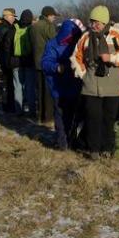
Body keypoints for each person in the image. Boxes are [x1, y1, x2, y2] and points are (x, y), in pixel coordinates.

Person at [71, 5, 119, 160]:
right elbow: (75, 57)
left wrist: (111, 58)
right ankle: (93, 149)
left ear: (105, 22)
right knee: (93, 118)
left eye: (98, 22)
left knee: (108, 118)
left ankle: (107, 148)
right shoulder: (85, 37)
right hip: (91, 85)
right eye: (92, 21)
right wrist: (83, 74)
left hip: (113, 85)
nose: (94, 25)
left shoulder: (116, 35)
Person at [42, 18, 85, 150]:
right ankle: (62, 142)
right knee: (60, 116)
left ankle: (71, 139)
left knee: (73, 115)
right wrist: (57, 67)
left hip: (74, 85)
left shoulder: (78, 44)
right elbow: (45, 63)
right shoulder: (52, 44)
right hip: (58, 86)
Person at [31, 6, 58, 124]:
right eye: (53, 16)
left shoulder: (34, 26)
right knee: (48, 92)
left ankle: (40, 116)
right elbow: (55, 41)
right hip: (47, 63)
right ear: (47, 15)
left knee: (40, 91)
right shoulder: (48, 26)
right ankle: (48, 117)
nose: (54, 18)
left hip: (37, 62)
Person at [12, 9, 37, 116]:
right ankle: (32, 111)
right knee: (30, 87)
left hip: (16, 61)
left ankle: (18, 110)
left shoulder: (15, 28)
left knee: (17, 87)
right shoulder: (32, 29)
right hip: (29, 61)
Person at [0, 8, 18, 113]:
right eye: (13, 16)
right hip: (6, 59)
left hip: (5, 58)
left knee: (8, 83)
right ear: (7, 17)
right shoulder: (4, 28)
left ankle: (9, 104)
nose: (14, 18)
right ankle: (8, 105)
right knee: (7, 83)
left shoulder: (3, 27)